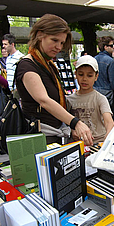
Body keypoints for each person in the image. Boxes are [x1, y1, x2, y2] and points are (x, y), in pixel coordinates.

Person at [14, 14, 93, 146]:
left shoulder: (48, 64)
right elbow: (44, 100)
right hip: (37, 139)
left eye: (61, 42)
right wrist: (75, 123)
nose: (59, 47)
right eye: (54, 40)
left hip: (52, 134)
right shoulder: (27, 65)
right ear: (40, 35)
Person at [67, 55, 114, 144]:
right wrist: (72, 130)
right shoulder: (69, 100)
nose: (84, 79)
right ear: (75, 74)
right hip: (77, 144)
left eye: (89, 75)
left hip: (97, 142)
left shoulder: (100, 98)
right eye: (81, 74)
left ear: (96, 77)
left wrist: (108, 136)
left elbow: (109, 121)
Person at [94, 36, 114, 123]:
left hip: (95, 91)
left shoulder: (94, 59)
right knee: (110, 119)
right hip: (107, 93)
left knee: (98, 119)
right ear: (105, 47)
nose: (113, 48)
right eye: (111, 46)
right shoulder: (110, 61)